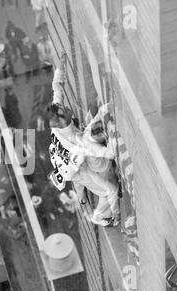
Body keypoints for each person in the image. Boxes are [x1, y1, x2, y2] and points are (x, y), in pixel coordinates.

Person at [47, 52, 119, 227]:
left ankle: (85, 200)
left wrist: (61, 65)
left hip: (72, 163)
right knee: (109, 189)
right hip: (82, 170)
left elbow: (57, 86)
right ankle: (99, 217)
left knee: (86, 184)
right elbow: (102, 157)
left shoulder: (57, 121)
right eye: (64, 111)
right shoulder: (77, 143)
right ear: (61, 120)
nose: (65, 107)